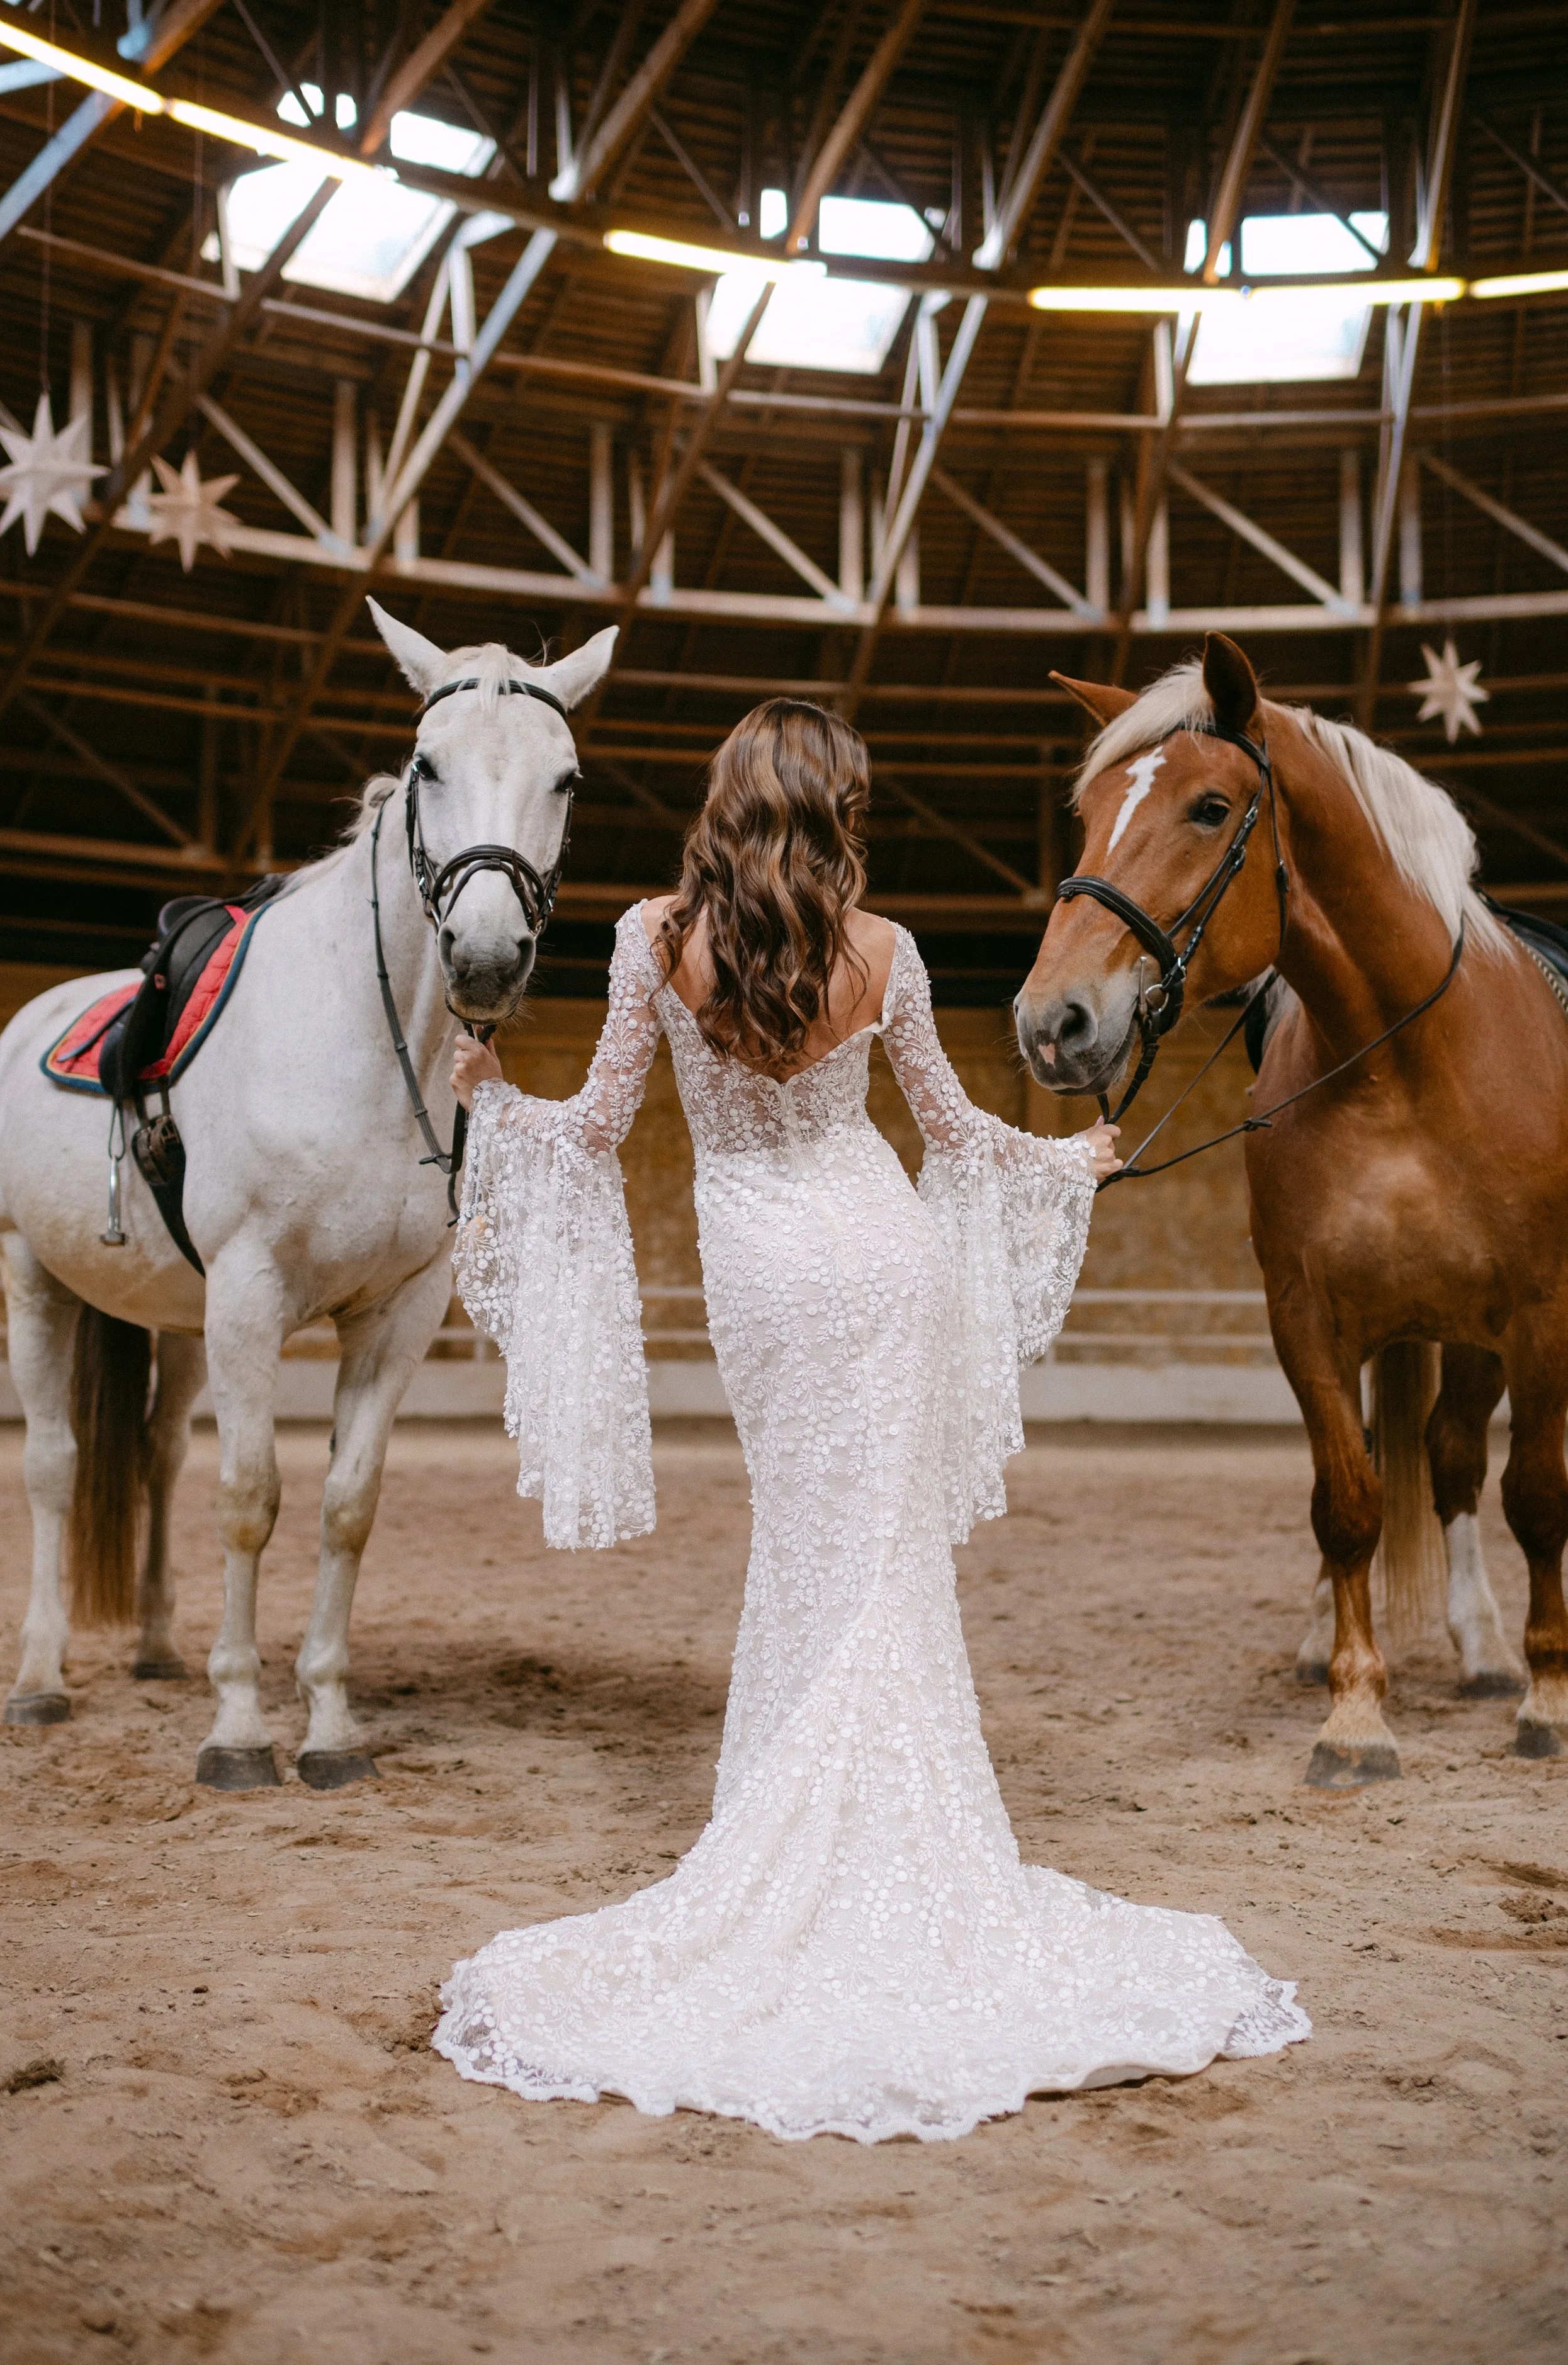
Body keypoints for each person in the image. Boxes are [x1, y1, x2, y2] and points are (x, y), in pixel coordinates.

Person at [432, 697, 1309, 2144]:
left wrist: (486, 1094)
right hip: (877, 1247)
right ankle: (893, 1839)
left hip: (765, 1273)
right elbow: (957, 1142)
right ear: (836, 810)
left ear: (725, 804)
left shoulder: (653, 939)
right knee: (885, 1553)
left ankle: (791, 1824)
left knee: (806, 1539)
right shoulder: (885, 952)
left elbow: (591, 1132)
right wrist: (1064, 1162)